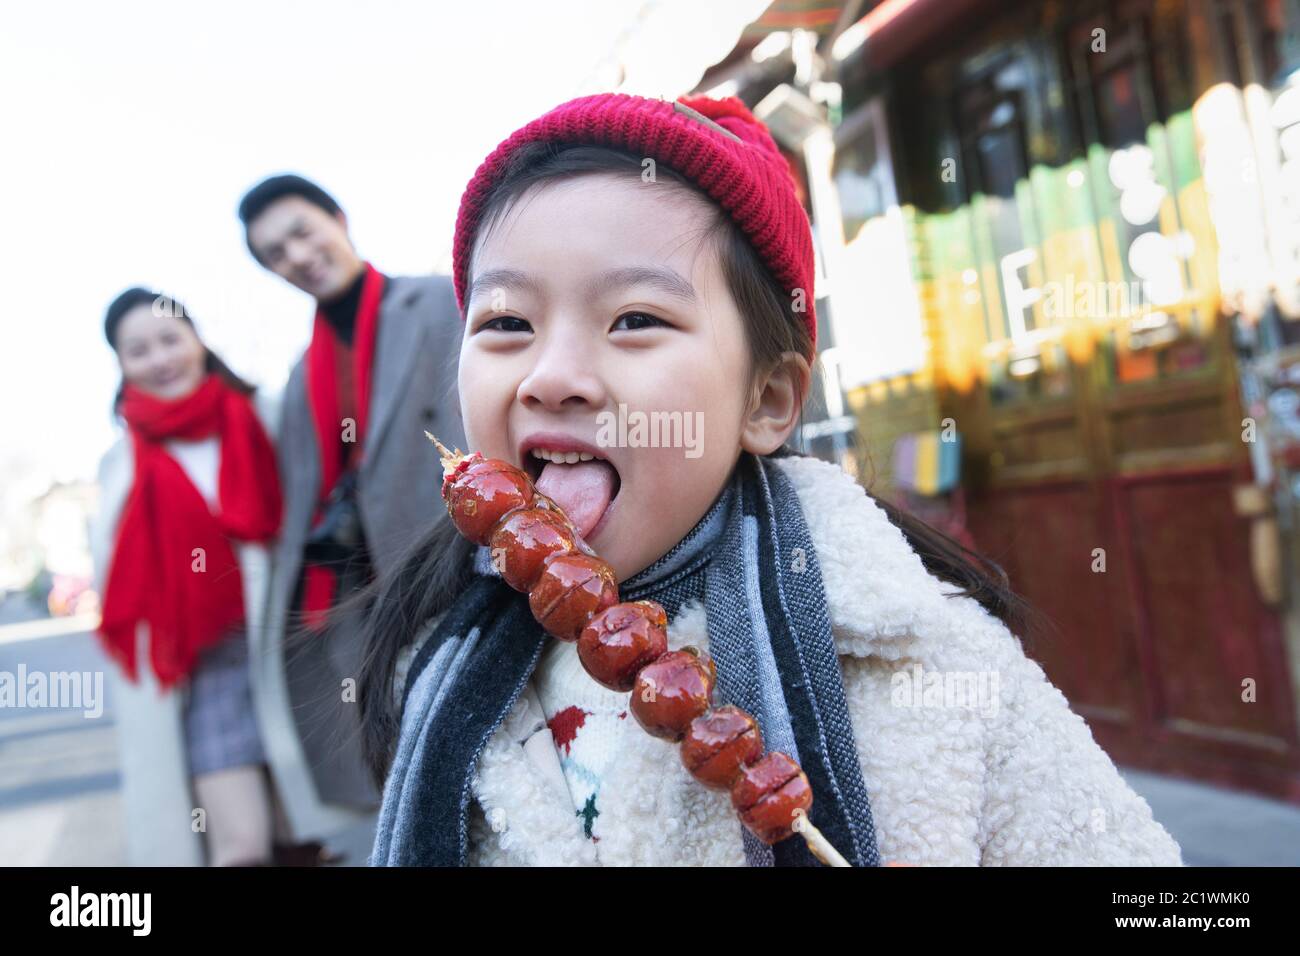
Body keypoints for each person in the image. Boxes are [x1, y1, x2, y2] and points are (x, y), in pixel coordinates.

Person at [361, 94, 1185, 866]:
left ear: (768, 398)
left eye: (635, 320)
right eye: (507, 322)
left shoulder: (919, 655)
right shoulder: (428, 666)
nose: (553, 376)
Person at [237, 174, 466, 839]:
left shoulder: (435, 301)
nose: (298, 256)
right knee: (396, 782)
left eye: (302, 231)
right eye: (276, 254)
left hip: (447, 568)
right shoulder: (301, 372)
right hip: (357, 602)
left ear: (337, 217)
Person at [91, 288, 285, 866]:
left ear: (198, 340)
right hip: (203, 672)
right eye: (138, 349)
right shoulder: (120, 462)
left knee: (312, 833)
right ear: (121, 365)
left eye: (170, 339)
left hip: (293, 651)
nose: (160, 358)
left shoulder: (262, 417)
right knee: (241, 847)